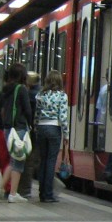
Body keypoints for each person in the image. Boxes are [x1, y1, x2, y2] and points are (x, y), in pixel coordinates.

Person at [0, 64, 34, 202]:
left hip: (8, 129)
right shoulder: (22, 89)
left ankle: (1, 187)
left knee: (13, 160)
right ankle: (13, 193)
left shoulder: (6, 89)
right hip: (19, 128)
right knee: (18, 162)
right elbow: (27, 109)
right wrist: (31, 124)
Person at [34, 70, 69, 202]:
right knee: (51, 161)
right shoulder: (62, 96)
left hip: (42, 128)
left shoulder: (40, 95)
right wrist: (66, 134)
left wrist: (36, 127)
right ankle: (48, 194)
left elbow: (36, 114)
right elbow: (63, 116)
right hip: (54, 128)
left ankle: (41, 192)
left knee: (43, 160)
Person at [16, 71, 41, 198]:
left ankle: (24, 190)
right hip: (40, 131)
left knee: (28, 162)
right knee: (39, 160)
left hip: (30, 132)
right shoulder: (41, 93)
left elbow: (28, 113)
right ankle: (46, 190)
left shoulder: (29, 94)